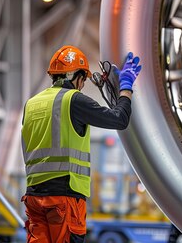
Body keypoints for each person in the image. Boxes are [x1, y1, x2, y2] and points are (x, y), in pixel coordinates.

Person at [20, 45, 142, 243]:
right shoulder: (73, 100)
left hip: (34, 196)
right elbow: (119, 119)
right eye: (83, 79)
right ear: (76, 76)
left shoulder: (31, 104)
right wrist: (126, 86)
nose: (83, 84)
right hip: (64, 196)